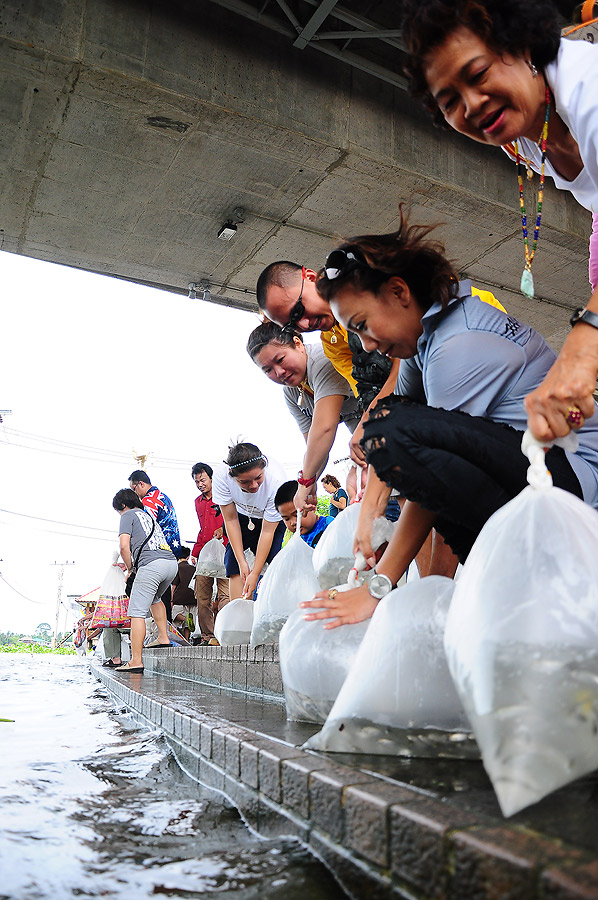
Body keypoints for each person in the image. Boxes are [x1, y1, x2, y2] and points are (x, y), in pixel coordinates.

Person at [300, 215, 598, 629]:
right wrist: (370, 505)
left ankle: (454, 591)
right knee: (387, 427)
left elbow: (429, 466)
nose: (368, 346)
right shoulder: (431, 333)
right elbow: (403, 410)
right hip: (532, 474)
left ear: (399, 291)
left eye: (364, 326)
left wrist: (376, 586)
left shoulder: (458, 346)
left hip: (574, 488)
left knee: (391, 431)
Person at [401, 0, 598, 442]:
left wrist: (582, 352)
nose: (471, 105)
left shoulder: (588, 85)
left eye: (478, 74)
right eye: (449, 101)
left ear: (523, 45)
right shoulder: (520, 137)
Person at [246, 322, 361, 511]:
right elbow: (314, 447)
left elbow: (324, 429)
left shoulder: (322, 361)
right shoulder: (291, 393)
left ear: (297, 343)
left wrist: (305, 481)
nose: (279, 373)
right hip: (367, 436)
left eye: (280, 359)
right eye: (268, 370)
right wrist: (311, 481)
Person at [211, 442, 287, 600]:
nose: (253, 486)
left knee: (274, 565)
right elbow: (230, 520)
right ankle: (239, 618)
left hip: (270, 523)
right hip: (240, 518)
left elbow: (267, 531)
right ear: (233, 477)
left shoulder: (276, 482)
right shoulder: (221, 476)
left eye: (258, 478)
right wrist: (242, 562)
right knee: (235, 566)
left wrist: (256, 573)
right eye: (244, 482)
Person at [112, 488, 177, 673]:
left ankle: (136, 660)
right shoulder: (149, 516)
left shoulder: (127, 515)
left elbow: (124, 546)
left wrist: (131, 568)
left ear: (122, 505)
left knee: (137, 612)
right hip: (170, 564)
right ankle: (163, 637)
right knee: (155, 598)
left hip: (151, 565)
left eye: (118, 510)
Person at [189, 462, 230, 645]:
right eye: (197, 481)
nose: (200, 484)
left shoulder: (224, 496)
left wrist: (223, 530)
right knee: (202, 596)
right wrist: (195, 551)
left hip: (225, 550)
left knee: (225, 594)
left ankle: (223, 633)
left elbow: (234, 520)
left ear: (212, 479)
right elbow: (202, 529)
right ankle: (208, 635)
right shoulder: (198, 502)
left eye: (203, 480)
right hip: (205, 553)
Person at [275, 480, 335, 548]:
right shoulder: (291, 539)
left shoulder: (330, 526)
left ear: (312, 506)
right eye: (287, 519)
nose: (293, 523)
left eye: (297, 515)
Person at [170, 547, 196, 641]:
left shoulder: (177, 568)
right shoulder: (194, 568)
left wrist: (171, 599)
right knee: (189, 619)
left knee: (175, 614)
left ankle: (185, 619)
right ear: (188, 557)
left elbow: (174, 586)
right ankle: (187, 639)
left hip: (180, 597)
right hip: (193, 597)